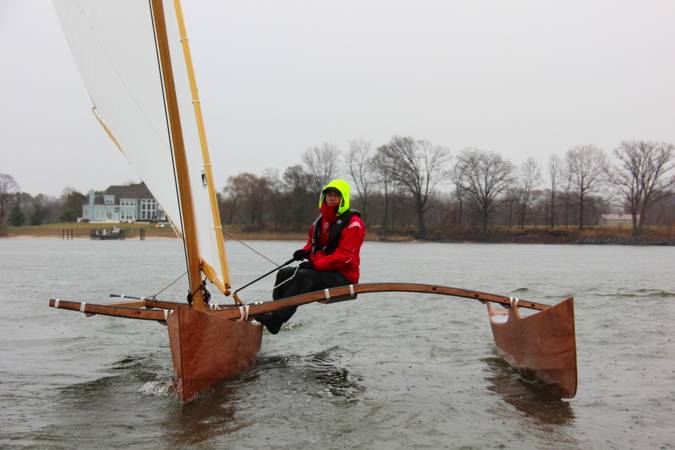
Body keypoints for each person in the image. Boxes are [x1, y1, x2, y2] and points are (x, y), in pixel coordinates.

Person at [256, 179, 366, 334]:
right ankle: (274, 312)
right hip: (323, 271)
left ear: (343, 198)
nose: (332, 198)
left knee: (303, 276)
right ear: (324, 197)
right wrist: (305, 252)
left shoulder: (354, 224)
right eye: (329, 194)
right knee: (284, 273)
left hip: (344, 277)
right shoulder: (320, 221)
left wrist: (316, 264)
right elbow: (312, 244)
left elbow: (345, 257)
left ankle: (276, 319)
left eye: (336, 195)